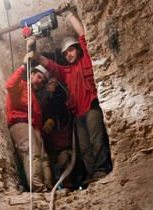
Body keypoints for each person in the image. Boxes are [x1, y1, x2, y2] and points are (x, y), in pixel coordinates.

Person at [35, 11, 113, 184]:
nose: (68, 55)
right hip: (78, 115)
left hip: (91, 108)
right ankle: (93, 175)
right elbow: (52, 66)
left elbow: (83, 35)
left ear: (77, 49)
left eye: (71, 50)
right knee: (85, 147)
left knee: (97, 140)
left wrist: (69, 15)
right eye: (65, 53)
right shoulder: (66, 72)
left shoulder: (86, 61)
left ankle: (101, 171)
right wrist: (36, 55)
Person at [6, 54, 52, 192]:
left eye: (43, 81)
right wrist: (24, 65)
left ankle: (48, 187)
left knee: (43, 157)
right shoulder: (21, 86)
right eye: (38, 77)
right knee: (32, 154)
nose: (40, 82)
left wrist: (41, 132)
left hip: (33, 128)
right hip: (20, 125)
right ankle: (38, 188)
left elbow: (36, 117)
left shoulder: (33, 96)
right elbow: (9, 85)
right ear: (31, 74)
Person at [40, 76, 74, 189]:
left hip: (62, 138)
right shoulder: (44, 102)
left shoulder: (62, 98)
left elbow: (62, 110)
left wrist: (53, 119)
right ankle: (50, 187)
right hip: (49, 140)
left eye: (56, 83)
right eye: (51, 83)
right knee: (48, 166)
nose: (54, 85)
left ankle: (68, 186)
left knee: (64, 163)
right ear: (46, 87)